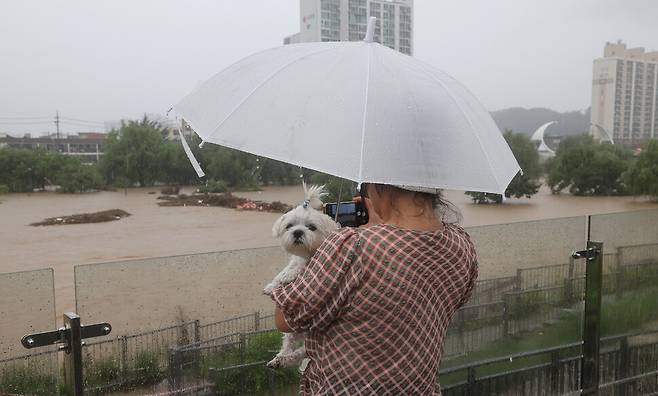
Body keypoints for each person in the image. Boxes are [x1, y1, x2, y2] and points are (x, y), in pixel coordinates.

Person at [270, 183, 478, 395]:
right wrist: (383, 220)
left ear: (377, 187)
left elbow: (285, 318)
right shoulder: (461, 245)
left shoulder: (352, 246)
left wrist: (308, 258)